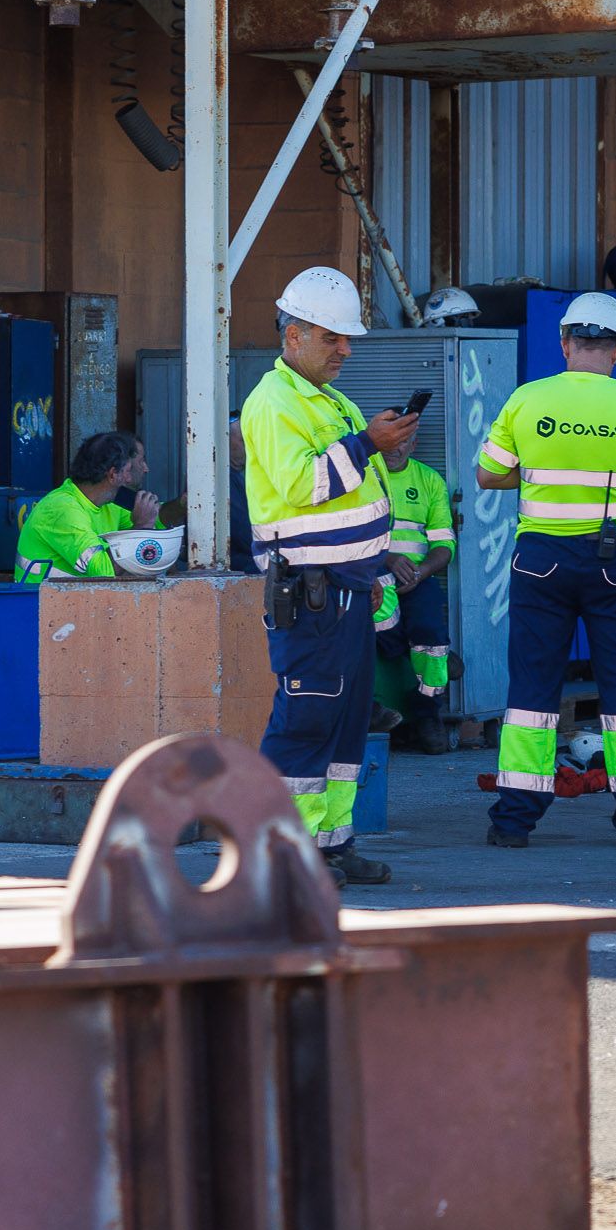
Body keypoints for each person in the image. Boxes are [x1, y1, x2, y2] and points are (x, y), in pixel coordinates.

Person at [476, 291, 616, 848]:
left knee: (533, 688)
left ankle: (513, 821)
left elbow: (489, 476)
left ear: (565, 343)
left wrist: (544, 470)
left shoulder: (526, 399)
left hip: (540, 562)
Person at [242, 266, 419, 887]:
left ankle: (331, 844)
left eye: (346, 338)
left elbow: (354, 496)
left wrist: (369, 568)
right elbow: (302, 486)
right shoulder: (272, 402)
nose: (346, 349)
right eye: (332, 338)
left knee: (345, 722)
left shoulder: (329, 399)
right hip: (312, 592)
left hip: (346, 588)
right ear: (293, 336)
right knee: (307, 719)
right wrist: (367, 445)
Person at [372, 429, 458, 754]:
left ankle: (427, 714)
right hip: (371, 575)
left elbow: (445, 545)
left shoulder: (429, 480)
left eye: (403, 442)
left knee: (430, 636)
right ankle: (372, 709)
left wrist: (420, 572)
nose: (395, 449)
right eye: (389, 442)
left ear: (414, 444)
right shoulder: (364, 477)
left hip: (418, 579)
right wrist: (389, 559)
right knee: (377, 618)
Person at [16, 431, 161, 582]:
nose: (130, 478)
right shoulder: (63, 509)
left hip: (70, 601)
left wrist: (182, 504)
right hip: (37, 602)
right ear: (113, 475)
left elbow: (156, 521)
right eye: (128, 470)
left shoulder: (107, 504)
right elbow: (104, 573)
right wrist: (140, 528)